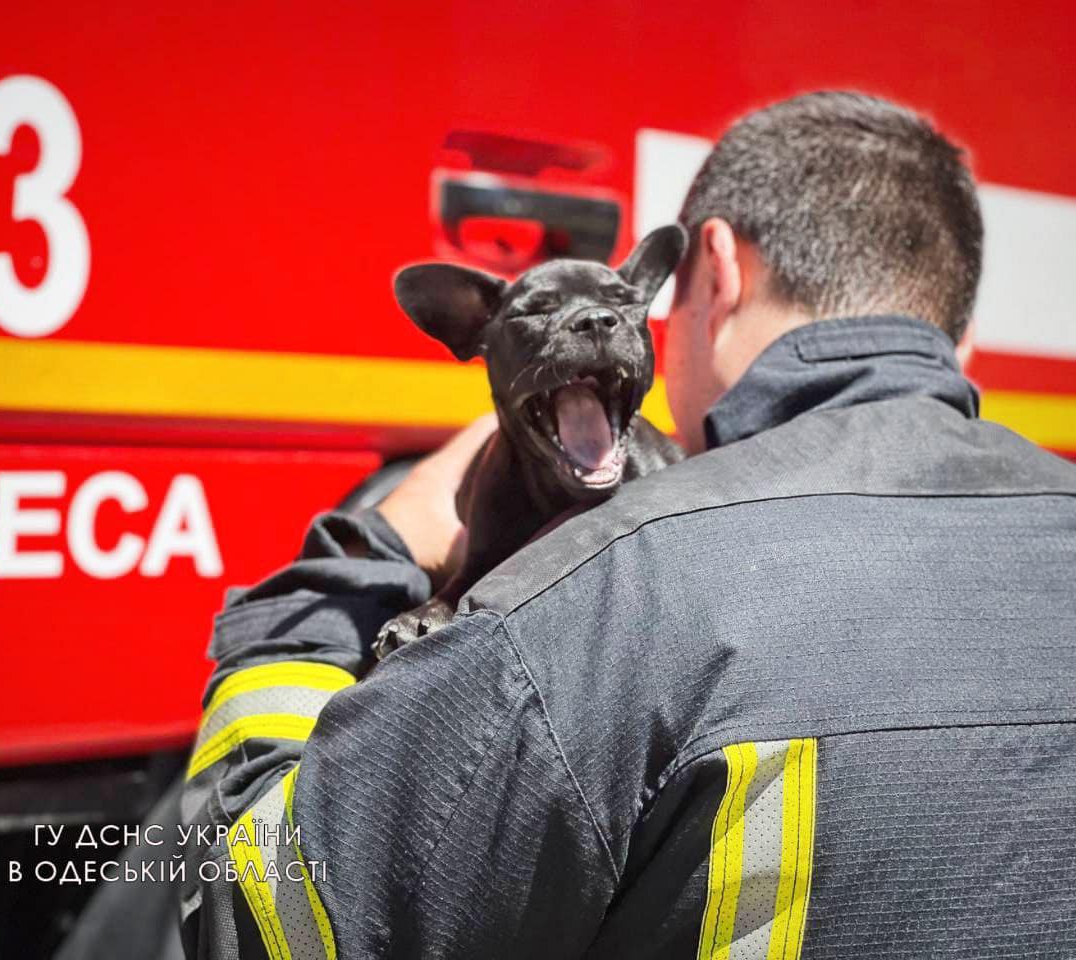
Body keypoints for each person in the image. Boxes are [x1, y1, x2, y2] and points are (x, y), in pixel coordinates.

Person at [177, 92, 1076, 959]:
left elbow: (257, 919)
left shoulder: (608, 593)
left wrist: (372, 548)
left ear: (716, 275)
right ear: (959, 339)